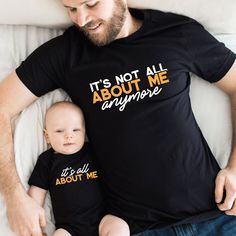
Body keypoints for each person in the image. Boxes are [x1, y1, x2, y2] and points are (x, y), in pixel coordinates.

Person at [0, 0, 236, 235]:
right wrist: (14, 197)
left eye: (90, 4)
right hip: (134, 228)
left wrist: (235, 168)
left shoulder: (176, 33)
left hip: (219, 213)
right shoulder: (65, 54)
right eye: (71, 9)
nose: (81, 20)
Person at [28, 101, 130, 236]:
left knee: (120, 226)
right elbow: (37, 192)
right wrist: (34, 224)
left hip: (102, 220)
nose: (68, 135)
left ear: (84, 131)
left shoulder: (93, 152)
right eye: (59, 131)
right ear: (47, 136)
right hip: (68, 229)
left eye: (75, 130)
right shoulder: (47, 160)